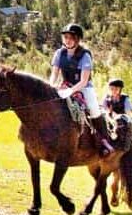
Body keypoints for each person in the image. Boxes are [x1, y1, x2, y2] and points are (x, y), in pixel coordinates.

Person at [49, 23, 114, 155]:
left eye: (71, 37)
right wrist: (50, 87)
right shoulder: (59, 53)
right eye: (65, 37)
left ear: (77, 39)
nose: (67, 40)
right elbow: (54, 74)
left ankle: (104, 140)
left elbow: (83, 81)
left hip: (84, 88)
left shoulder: (85, 55)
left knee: (94, 109)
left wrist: (70, 91)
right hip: (65, 85)